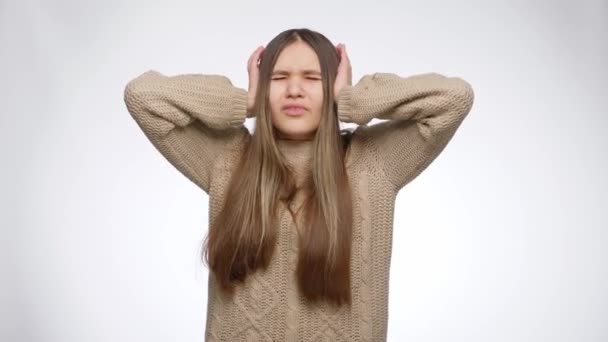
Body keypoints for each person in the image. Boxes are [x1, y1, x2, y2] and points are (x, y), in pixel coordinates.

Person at [123, 27, 474, 342]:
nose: (293, 89)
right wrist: (243, 103)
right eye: (278, 78)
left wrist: (352, 101)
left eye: (311, 77)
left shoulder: (373, 163)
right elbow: (142, 96)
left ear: (334, 85)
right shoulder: (226, 160)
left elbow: (453, 98)